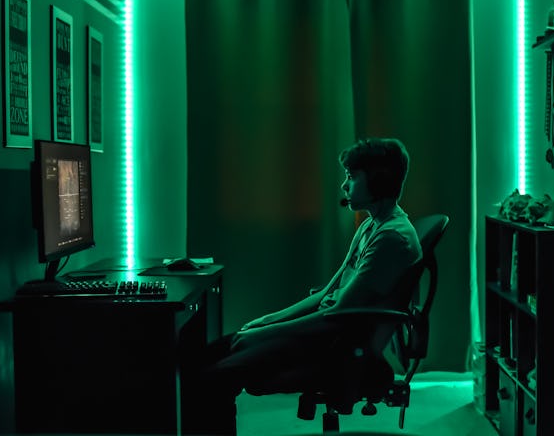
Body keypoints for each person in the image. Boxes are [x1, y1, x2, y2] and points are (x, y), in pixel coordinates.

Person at [180, 137, 422, 435]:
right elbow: (328, 293)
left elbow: (338, 316)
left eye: (351, 176)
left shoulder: (392, 238)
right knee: (205, 356)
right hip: (323, 331)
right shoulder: (371, 226)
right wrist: (266, 321)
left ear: (378, 179)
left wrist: (261, 335)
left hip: (335, 343)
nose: (344, 185)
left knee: (214, 378)